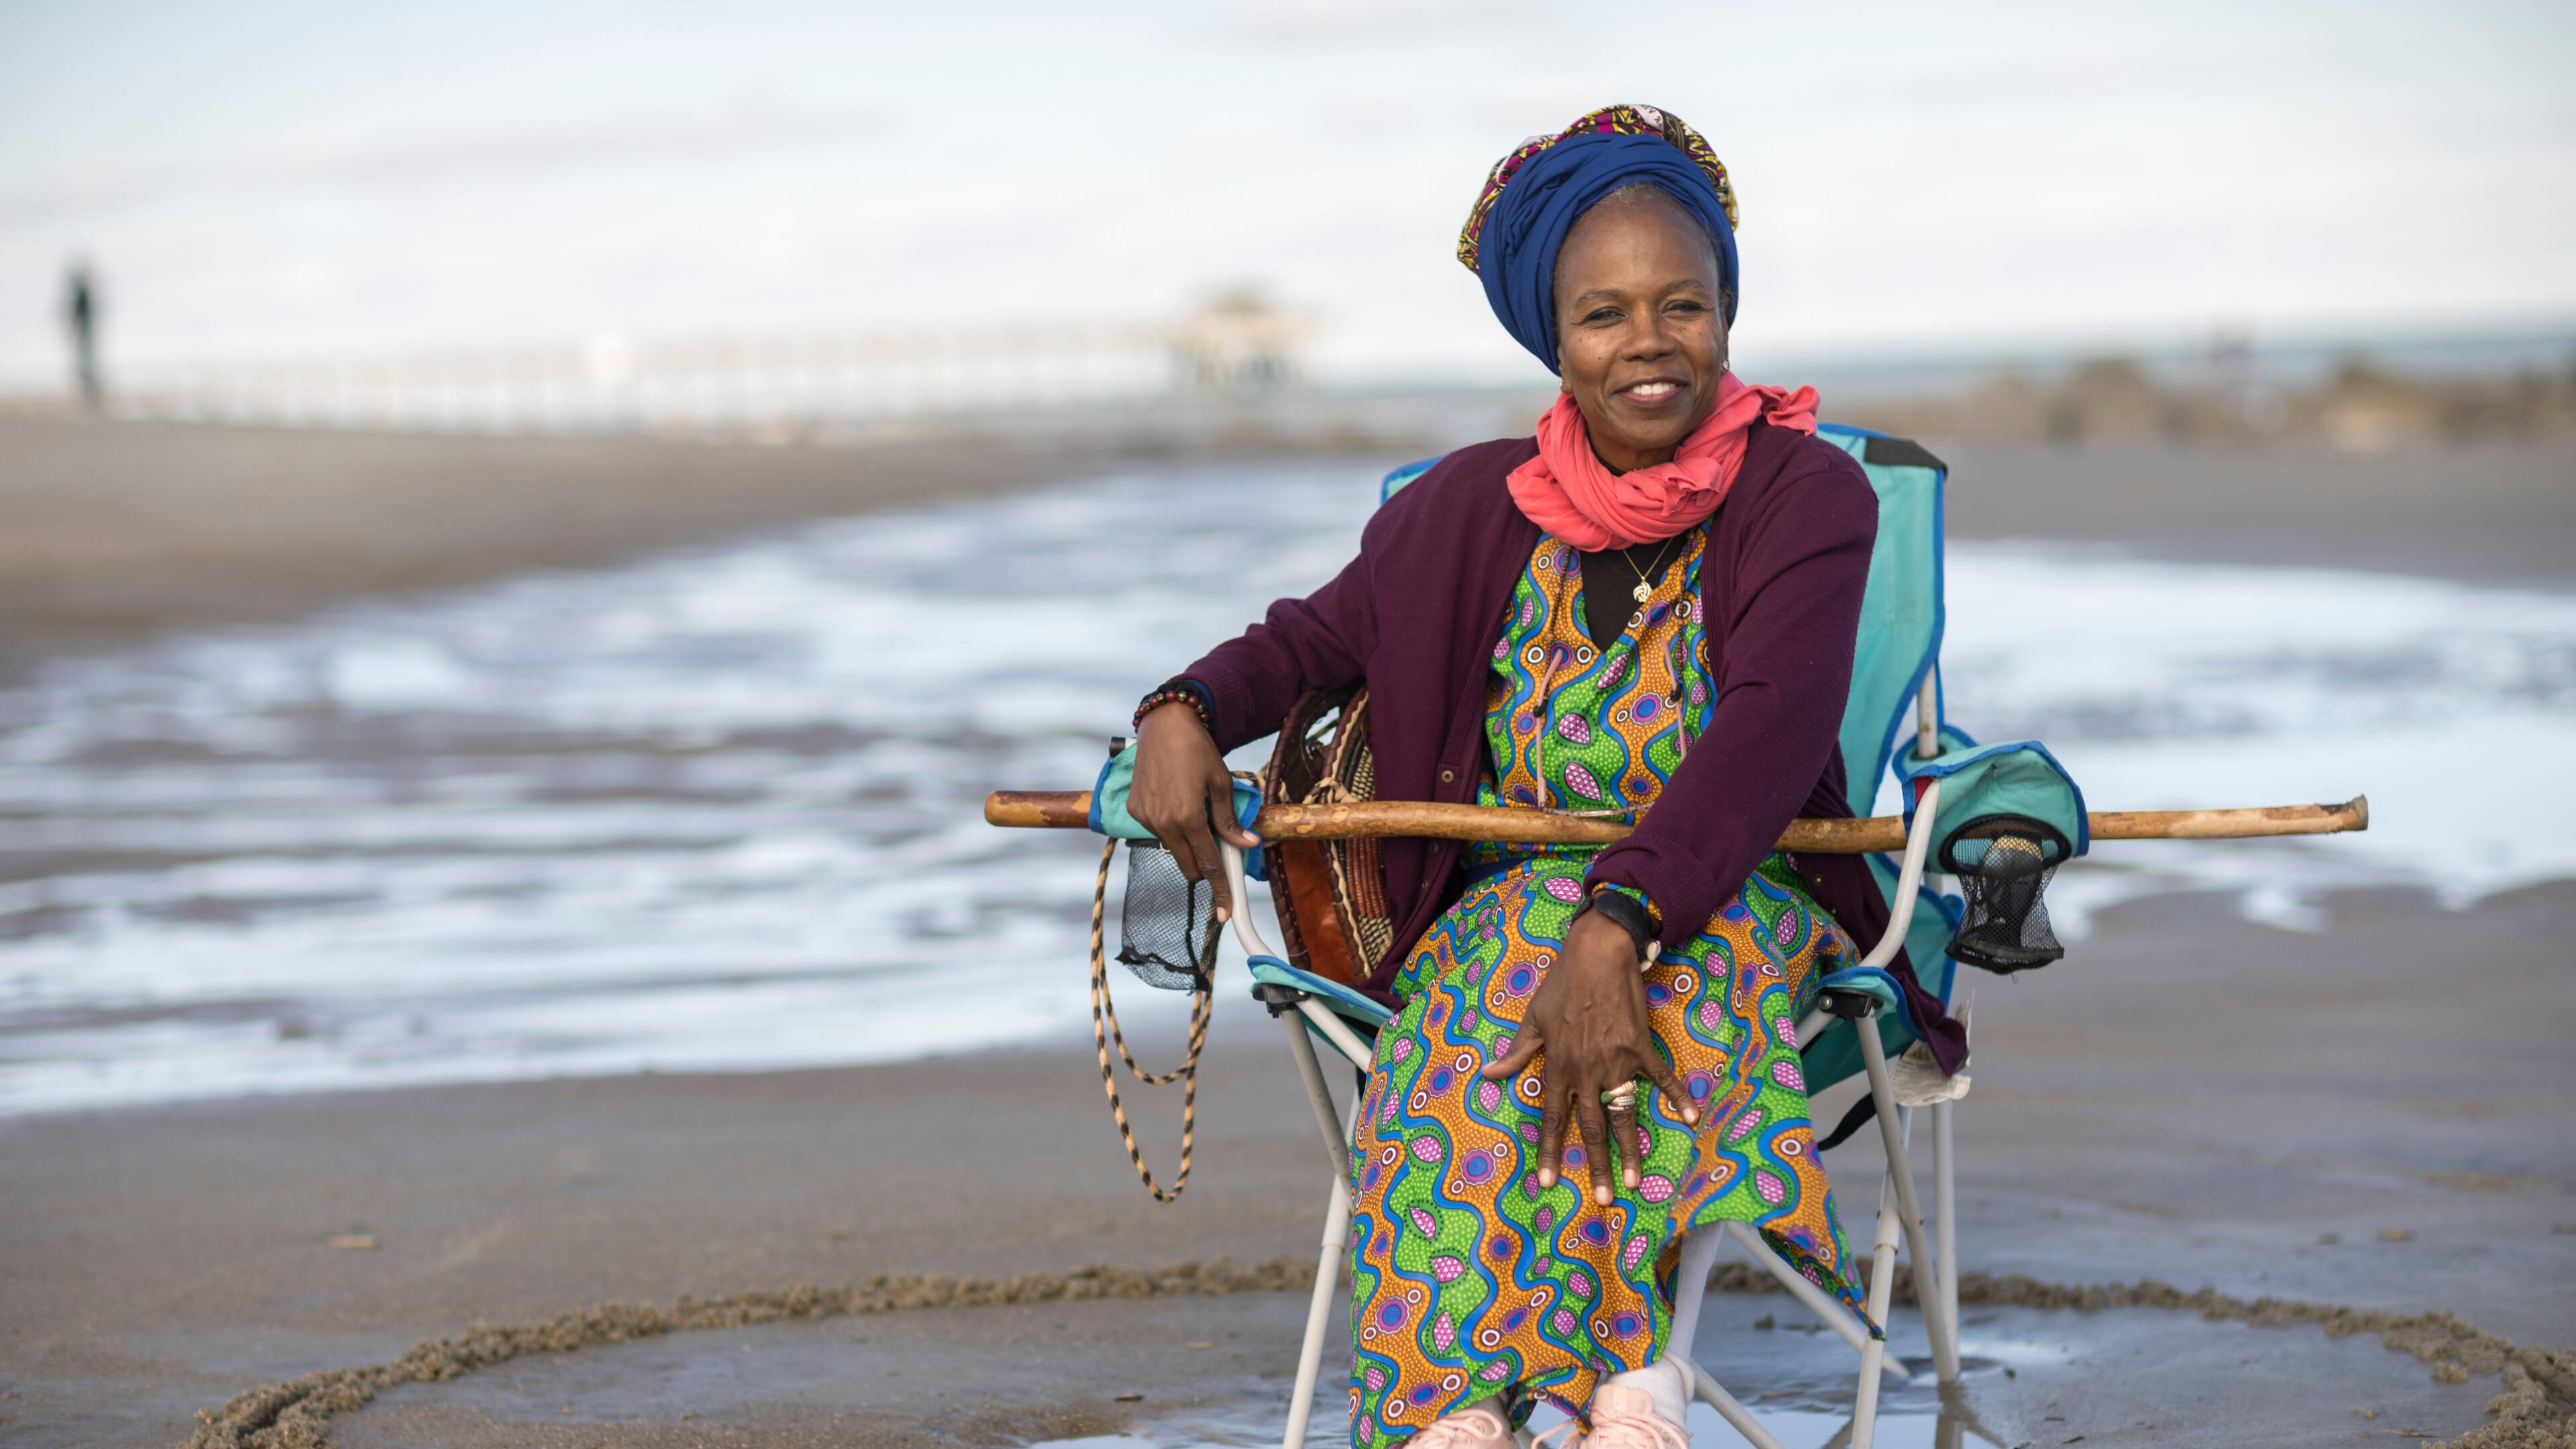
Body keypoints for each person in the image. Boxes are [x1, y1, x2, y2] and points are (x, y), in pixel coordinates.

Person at [1127, 104, 1964, 1447]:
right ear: (1553, 341)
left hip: (1739, 888)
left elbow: (1767, 727)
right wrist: (1180, 708)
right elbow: (1307, 642)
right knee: (1470, 1023)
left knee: (1653, 1003)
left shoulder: (1806, 495)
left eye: (1682, 305)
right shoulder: (1463, 509)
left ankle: (1628, 1389)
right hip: (1498, 911)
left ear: (1727, 314)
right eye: (1605, 315)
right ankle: (1459, 1416)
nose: (1649, 340)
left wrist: (1615, 922)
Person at [63, 260, 101, 411]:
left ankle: (90, 397)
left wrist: (72, 331)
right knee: (86, 366)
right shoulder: (84, 295)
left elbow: (79, 318)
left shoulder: (82, 295)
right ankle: (90, 396)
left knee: (85, 366)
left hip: (84, 336)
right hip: (86, 335)